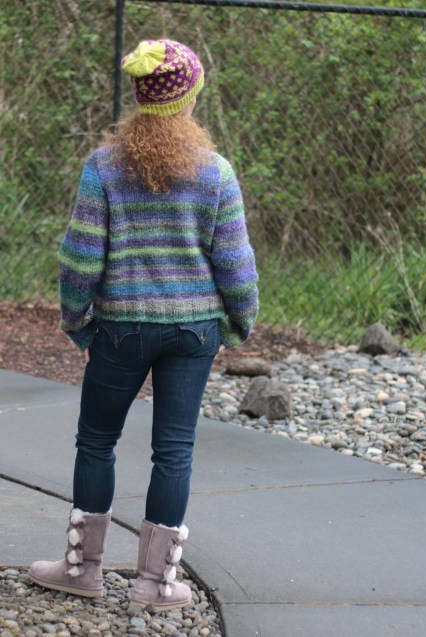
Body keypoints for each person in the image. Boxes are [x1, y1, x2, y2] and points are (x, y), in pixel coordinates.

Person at [28, 39, 259, 611]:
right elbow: (235, 262)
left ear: (139, 95)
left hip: (121, 328)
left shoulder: (104, 166)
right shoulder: (216, 172)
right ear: (190, 96)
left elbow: (80, 256)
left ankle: (82, 569)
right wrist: (238, 324)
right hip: (194, 329)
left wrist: (78, 322)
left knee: (96, 441)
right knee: (174, 451)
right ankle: (156, 585)